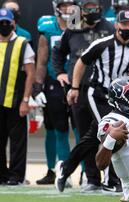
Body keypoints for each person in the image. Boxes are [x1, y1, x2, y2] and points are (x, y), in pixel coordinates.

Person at [55, 9, 129, 194]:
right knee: (112, 130)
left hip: (119, 98)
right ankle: (111, 180)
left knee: (93, 136)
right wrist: (74, 87)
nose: (127, 28)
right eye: (124, 24)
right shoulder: (102, 44)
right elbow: (81, 62)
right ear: (116, 25)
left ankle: (66, 168)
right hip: (97, 93)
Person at [52, 0, 115, 192]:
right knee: (86, 134)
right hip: (79, 89)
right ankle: (92, 178)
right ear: (81, 9)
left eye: (95, 6)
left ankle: (109, 178)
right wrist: (60, 73)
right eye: (88, 7)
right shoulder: (72, 26)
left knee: (106, 133)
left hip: (103, 91)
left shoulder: (109, 27)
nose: (92, 10)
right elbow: (58, 52)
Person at [33, 0, 77, 186]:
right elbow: (42, 60)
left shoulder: (81, 27)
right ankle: (58, 171)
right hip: (55, 84)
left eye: (70, 4)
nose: (67, 8)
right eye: (64, 4)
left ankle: (85, 172)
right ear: (57, 7)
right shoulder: (48, 28)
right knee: (58, 129)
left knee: (80, 129)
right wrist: (37, 85)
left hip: (76, 83)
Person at [0, 8, 35, 186]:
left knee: (18, 143)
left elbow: (30, 73)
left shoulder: (22, 43)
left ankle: (16, 176)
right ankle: (1, 175)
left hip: (15, 101)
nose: (4, 25)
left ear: (14, 23)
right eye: (1, 22)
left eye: (7, 22)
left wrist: (26, 100)